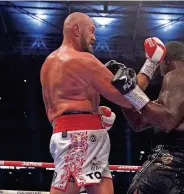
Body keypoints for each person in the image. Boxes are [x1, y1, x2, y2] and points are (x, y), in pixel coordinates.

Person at [40, 12, 134, 194]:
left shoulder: (47, 64)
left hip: (69, 134)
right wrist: (150, 66)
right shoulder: (83, 59)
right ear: (77, 29)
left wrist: (94, 114)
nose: (94, 37)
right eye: (91, 30)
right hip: (81, 139)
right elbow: (127, 100)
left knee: (103, 187)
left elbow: (56, 110)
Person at [110, 40, 184, 194]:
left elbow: (167, 121)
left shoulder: (178, 75)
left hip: (175, 151)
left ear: (166, 61)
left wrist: (131, 91)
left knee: (137, 191)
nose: (160, 70)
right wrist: (126, 95)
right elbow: (138, 123)